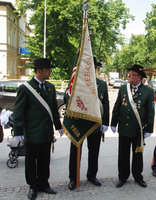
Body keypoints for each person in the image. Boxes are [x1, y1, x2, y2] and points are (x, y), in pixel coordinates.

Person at [13, 58, 63, 200]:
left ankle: (44, 183)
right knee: (31, 161)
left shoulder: (50, 87)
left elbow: (53, 110)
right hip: (32, 132)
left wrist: (58, 127)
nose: (50, 72)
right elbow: (19, 111)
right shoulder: (26, 88)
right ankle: (33, 186)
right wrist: (18, 131)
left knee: (44, 159)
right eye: (47, 70)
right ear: (39, 71)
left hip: (46, 132)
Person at [68, 57, 109, 190]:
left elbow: (106, 104)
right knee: (75, 153)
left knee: (94, 151)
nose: (93, 69)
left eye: (95, 67)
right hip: (79, 123)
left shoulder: (101, 84)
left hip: (95, 124)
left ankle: (92, 175)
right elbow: (66, 97)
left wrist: (105, 122)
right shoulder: (76, 82)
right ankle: (73, 178)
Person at [111, 64, 154, 188]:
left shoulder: (148, 91)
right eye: (129, 74)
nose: (129, 76)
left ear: (139, 77)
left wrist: (149, 128)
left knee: (137, 154)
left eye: (131, 75)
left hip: (138, 129)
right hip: (124, 127)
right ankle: (122, 176)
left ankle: (138, 176)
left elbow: (150, 111)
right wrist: (113, 123)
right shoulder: (123, 89)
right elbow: (117, 106)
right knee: (123, 154)